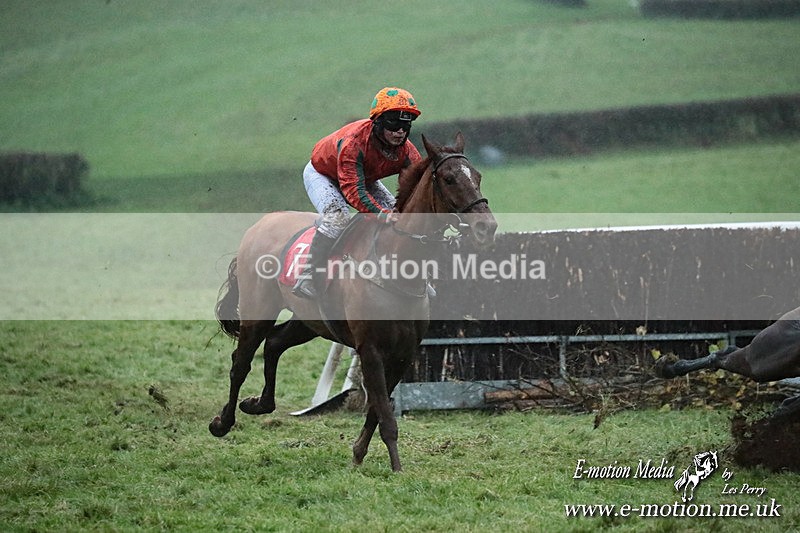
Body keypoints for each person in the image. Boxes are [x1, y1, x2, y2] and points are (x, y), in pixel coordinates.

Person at [293, 87, 423, 298]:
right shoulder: (354, 143)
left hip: (362, 176)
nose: (400, 131)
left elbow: (415, 186)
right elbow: (352, 189)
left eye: (405, 124)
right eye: (393, 123)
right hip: (324, 174)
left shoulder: (407, 150)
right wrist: (382, 215)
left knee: (399, 216)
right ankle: (309, 274)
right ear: (378, 121)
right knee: (338, 218)